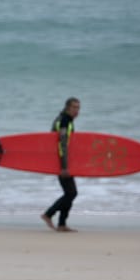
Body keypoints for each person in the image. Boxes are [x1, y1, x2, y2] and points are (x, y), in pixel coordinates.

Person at [41, 97, 80, 232]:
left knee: (70, 193)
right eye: (74, 107)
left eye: (78, 108)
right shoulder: (64, 121)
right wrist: (64, 167)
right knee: (71, 193)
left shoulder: (63, 119)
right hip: (61, 161)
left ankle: (62, 224)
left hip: (62, 160)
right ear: (67, 107)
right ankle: (48, 214)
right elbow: (62, 143)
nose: (77, 110)